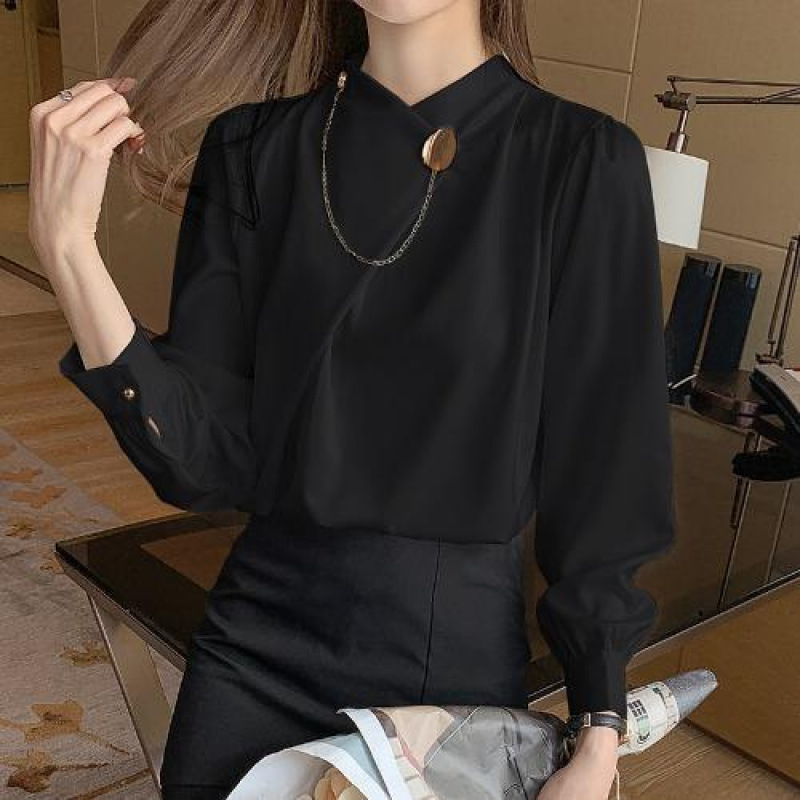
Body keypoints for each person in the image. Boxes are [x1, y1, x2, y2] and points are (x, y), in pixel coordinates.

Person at [28, 1, 676, 797]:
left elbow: (605, 471)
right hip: (253, 645)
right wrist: (68, 249)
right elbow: (204, 466)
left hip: (444, 671)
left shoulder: (579, 158)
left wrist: (599, 736)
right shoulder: (251, 147)